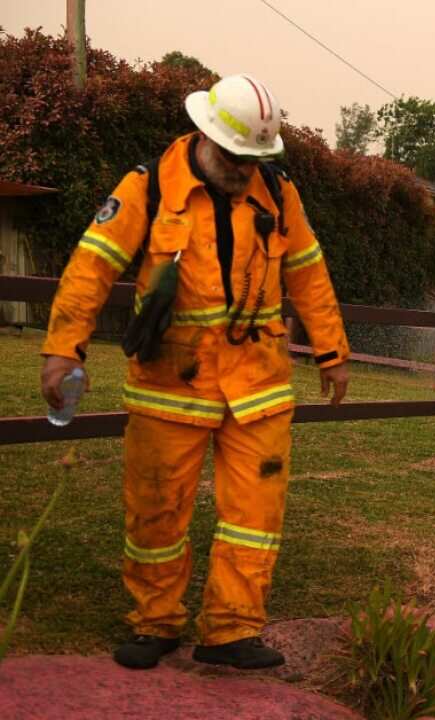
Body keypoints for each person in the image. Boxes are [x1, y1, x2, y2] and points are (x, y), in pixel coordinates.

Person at [39, 74, 350, 670]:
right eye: (235, 157)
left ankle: (231, 632)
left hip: (256, 389)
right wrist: (63, 347)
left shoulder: (279, 194)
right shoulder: (149, 188)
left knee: (255, 519)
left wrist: (332, 351)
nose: (242, 169)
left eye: (254, 159)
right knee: (156, 512)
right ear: (206, 135)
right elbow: (92, 265)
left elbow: (308, 271)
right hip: (169, 390)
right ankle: (155, 623)